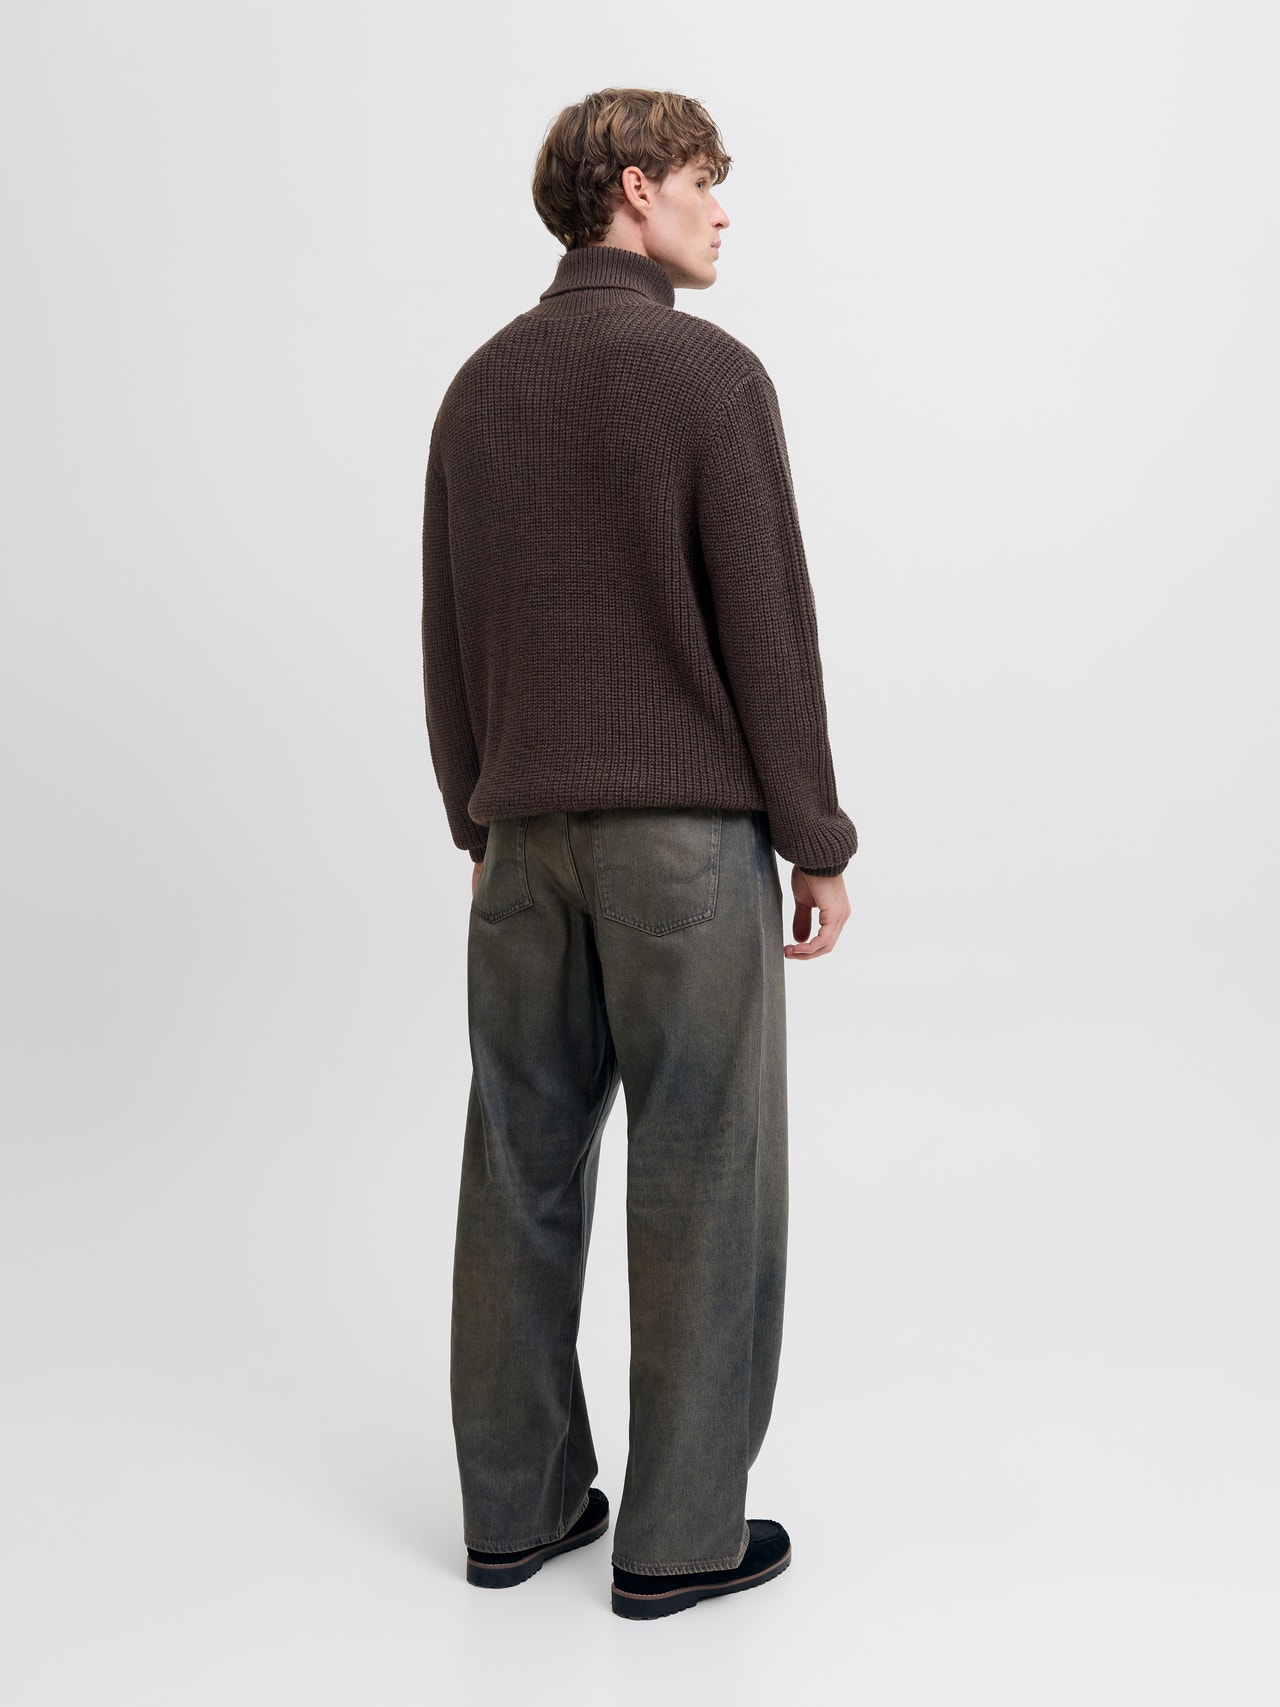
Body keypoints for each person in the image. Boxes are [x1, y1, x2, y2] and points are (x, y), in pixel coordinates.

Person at [420, 86, 857, 1620]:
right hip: (682, 850)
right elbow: (767, 632)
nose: (720, 211)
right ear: (630, 187)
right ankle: (679, 1539)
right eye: (700, 180)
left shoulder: (479, 389)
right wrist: (814, 836)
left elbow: (449, 636)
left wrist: (477, 818)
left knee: (518, 1166)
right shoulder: (708, 377)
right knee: (705, 1170)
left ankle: (518, 1509)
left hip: (521, 844)